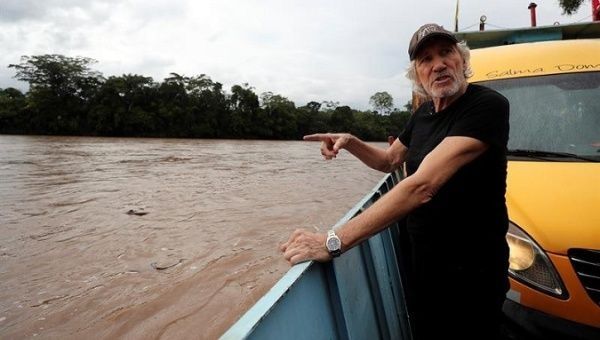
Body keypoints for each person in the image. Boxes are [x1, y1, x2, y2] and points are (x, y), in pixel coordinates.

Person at [280, 23, 510, 339]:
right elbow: (390, 161)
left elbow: (423, 185)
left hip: (472, 270)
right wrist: (350, 140)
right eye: (426, 59)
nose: (438, 64)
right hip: (422, 260)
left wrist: (332, 241)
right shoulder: (424, 114)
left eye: (446, 53)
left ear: (462, 59)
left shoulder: (487, 106)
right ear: (418, 75)